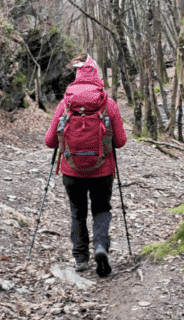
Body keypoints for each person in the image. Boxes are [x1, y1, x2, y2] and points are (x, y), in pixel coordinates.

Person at [44, 54, 126, 277]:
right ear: (96, 76)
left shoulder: (65, 103)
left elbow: (50, 141)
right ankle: (100, 246)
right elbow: (120, 141)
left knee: (77, 213)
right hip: (103, 170)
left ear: (77, 76)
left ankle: (81, 259)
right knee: (101, 209)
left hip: (72, 170)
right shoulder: (108, 103)